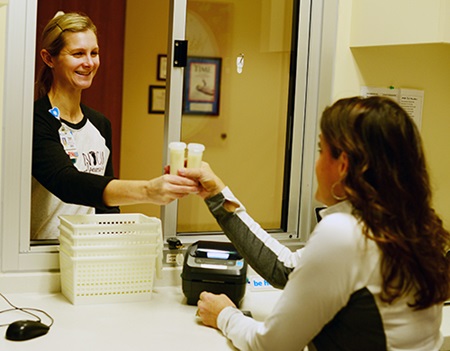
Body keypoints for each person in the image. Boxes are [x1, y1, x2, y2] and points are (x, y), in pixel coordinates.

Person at [180, 96, 450, 350]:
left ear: (343, 165)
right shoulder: (412, 225)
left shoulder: (345, 233)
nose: (317, 162)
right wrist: (218, 195)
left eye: (322, 150)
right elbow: (284, 268)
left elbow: (271, 345)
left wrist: (225, 315)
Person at [31, 12, 199, 240]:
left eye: (94, 53)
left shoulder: (100, 124)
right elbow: (66, 182)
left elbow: (106, 208)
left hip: (89, 254)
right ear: (49, 58)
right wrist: (148, 191)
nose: (89, 63)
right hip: (40, 257)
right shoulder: (36, 120)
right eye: (78, 54)